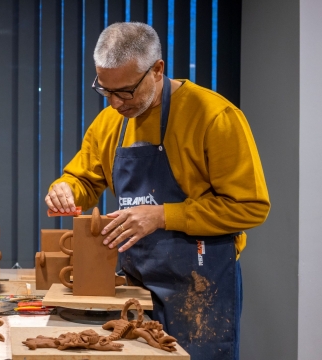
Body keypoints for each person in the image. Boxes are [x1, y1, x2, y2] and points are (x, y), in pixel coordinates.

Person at [45, 22, 269, 360]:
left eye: (126, 91)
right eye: (105, 91)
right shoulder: (109, 123)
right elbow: (86, 180)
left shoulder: (215, 117)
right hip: (136, 281)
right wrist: (65, 190)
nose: (116, 104)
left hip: (200, 285)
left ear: (158, 70)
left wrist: (163, 215)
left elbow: (250, 207)